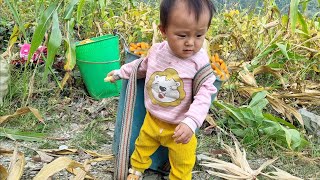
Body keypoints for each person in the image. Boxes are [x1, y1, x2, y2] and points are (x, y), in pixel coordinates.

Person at [106, 0, 217, 179]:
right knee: (142, 146)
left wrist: (191, 122)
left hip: (179, 126)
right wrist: (120, 73)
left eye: (199, 35)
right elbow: (140, 67)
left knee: (183, 160)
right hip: (153, 119)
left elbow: (205, 94)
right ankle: (136, 170)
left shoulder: (199, 62)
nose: (190, 43)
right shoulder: (157, 51)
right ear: (164, 31)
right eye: (182, 35)